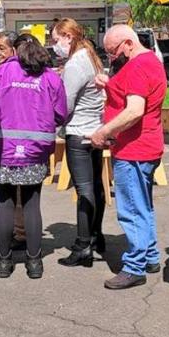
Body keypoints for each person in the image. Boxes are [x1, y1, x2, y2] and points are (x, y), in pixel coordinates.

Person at [90, 24, 166, 290]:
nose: (111, 58)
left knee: (132, 209)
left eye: (113, 51)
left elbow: (134, 110)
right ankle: (151, 256)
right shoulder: (150, 62)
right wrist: (110, 85)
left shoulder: (137, 66)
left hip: (134, 149)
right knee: (143, 205)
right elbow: (131, 97)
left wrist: (104, 131)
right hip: (145, 145)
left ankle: (134, 266)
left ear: (128, 43)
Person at [0, 34, 67, 279]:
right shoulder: (50, 78)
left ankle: (4, 262)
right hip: (36, 149)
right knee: (32, 205)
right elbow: (61, 114)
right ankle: (34, 263)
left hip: (3, 149)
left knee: (5, 205)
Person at [52, 18, 108, 267]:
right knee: (95, 187)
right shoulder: (91, 56)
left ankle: (82, 244)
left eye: (56, 40)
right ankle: (96, 236)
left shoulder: (76, 63)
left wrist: (53, 120)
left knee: (84, 190)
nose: (55, 46)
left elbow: (66, 104)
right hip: (95, 129)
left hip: (78, 132)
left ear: (68, 36)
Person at [0, 30, 28, 250]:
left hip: (8, 142)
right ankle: (19, 233)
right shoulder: (30, 72)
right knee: (18, 193)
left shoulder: (1, 74)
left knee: (12, 195)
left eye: (2, 48)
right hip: (18, 141)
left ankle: (18, 236)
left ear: (14, 49)